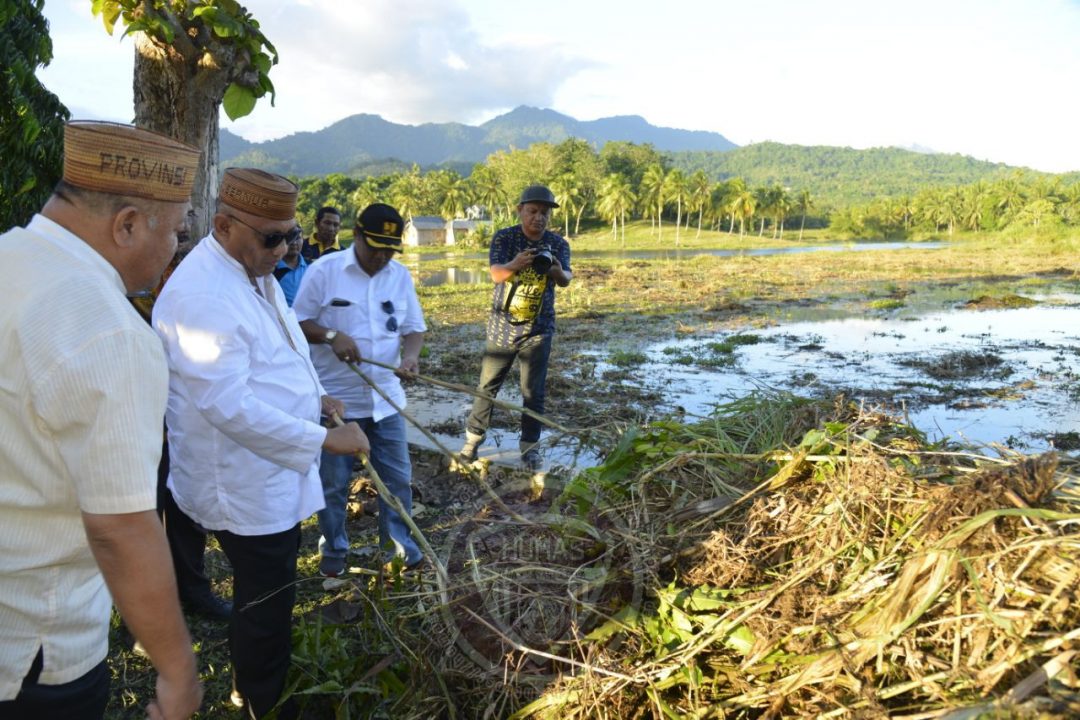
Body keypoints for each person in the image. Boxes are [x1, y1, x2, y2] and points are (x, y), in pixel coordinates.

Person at [0, 121, 203, 719]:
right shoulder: (109, 329)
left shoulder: (10, 258)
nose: (174, 252)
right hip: (34, 647)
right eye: (176, 232)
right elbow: (120, 529)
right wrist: (178, 670)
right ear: (129, 225)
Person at [152, 168, 369, 719]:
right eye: (272, 237)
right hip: (241, 477)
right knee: (267, 599)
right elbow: (227, 406)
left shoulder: (254, 268)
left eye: (289, 236)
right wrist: (322, 440)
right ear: (223, 225)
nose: (283, 249)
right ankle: (260, 700)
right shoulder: (203, 294)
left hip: (268, 464)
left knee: (266, 590)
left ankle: (252, 682)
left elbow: (286, 346)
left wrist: (318, 395)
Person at [294, 203, 426, 576]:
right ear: (356, 236)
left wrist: (411, 357)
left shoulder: (398, 276)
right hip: (337, 403)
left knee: (397, 480)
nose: (381, 257)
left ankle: (398, 550)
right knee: (333, 485)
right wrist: (331, 335)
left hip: (385, 400)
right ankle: (334, 550)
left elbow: (413, 328)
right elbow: (297, 322)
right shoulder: (324, 272)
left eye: (389, 250)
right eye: (374, 248)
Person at [460, 184, 572, 470]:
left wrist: (556, 270)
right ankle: (472, 442)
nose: (539, 217)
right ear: (520, 210)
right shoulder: (505, 237)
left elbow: (566, 278)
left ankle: (530, 449)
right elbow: (496, 274)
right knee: (487, 387)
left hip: (539, 330)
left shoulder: (558, 244)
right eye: (533, 211)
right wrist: (516, 263)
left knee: (533, 393)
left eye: (544, 213)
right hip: (502, 328)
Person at [273, 223, 307, 306]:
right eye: (290, 238)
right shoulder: (272, 269)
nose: (294, 243)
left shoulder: (311, 267)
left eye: (298, 238)